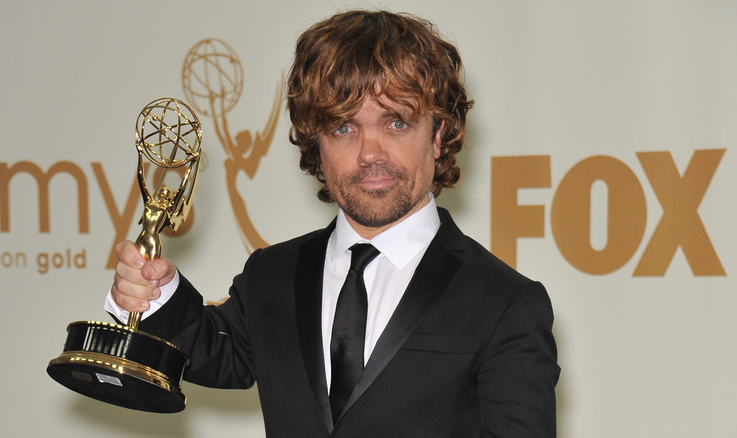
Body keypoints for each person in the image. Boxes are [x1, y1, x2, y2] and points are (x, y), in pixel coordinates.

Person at [107, 9, 560, 437]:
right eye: (344, 127)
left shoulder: (506, 304)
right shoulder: (273, 275)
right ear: (314, 142)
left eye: (397, 123)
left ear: (439, 135)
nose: (370, 152)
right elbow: (211, 347)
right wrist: (152, 290)